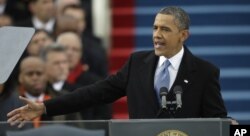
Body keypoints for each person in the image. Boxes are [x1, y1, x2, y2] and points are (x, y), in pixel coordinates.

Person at [7, 6, 236, 128]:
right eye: (155, 28)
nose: (156, 35)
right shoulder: (137, 63)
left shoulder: (205, 72)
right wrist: (46, 108)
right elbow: (94, 93)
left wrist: (231, 128)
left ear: (183, 35)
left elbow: (217, 120)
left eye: (165, 30)